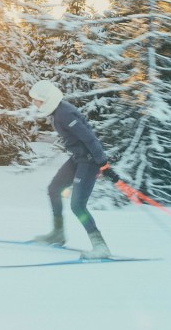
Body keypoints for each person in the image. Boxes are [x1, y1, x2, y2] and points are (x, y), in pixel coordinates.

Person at [28, 80, 111, 259]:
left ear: (47, 99)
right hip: (78, 158)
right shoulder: (56, 111)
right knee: (54, 189)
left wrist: (103, 163)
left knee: (77, 206)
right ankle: (58, 233)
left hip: (89, 161)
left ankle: (100, 246)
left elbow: (89, 138)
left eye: (37, 100)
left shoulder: (64, 114)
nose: (35, 103)